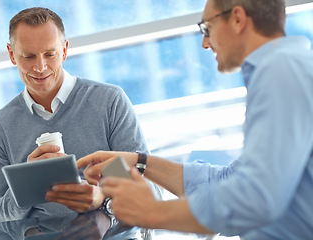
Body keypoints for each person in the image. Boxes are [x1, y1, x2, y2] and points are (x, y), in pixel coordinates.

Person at [76, 0, 313, 238]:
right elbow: (229, 180)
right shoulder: (286, 70)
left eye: (207, 28)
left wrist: (152, 211)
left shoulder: (282, 73)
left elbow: (255, 197)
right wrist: (137, 161)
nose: (205, 43)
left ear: (238, 19)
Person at [0, 7, 160, 224]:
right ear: (12, 55)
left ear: (64, 50)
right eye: (28, 56)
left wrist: (101, 197)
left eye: (50, 54)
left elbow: (150, 191)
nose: (40, 67)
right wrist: (25, 187)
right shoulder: (2, 126)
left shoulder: (108, 102)